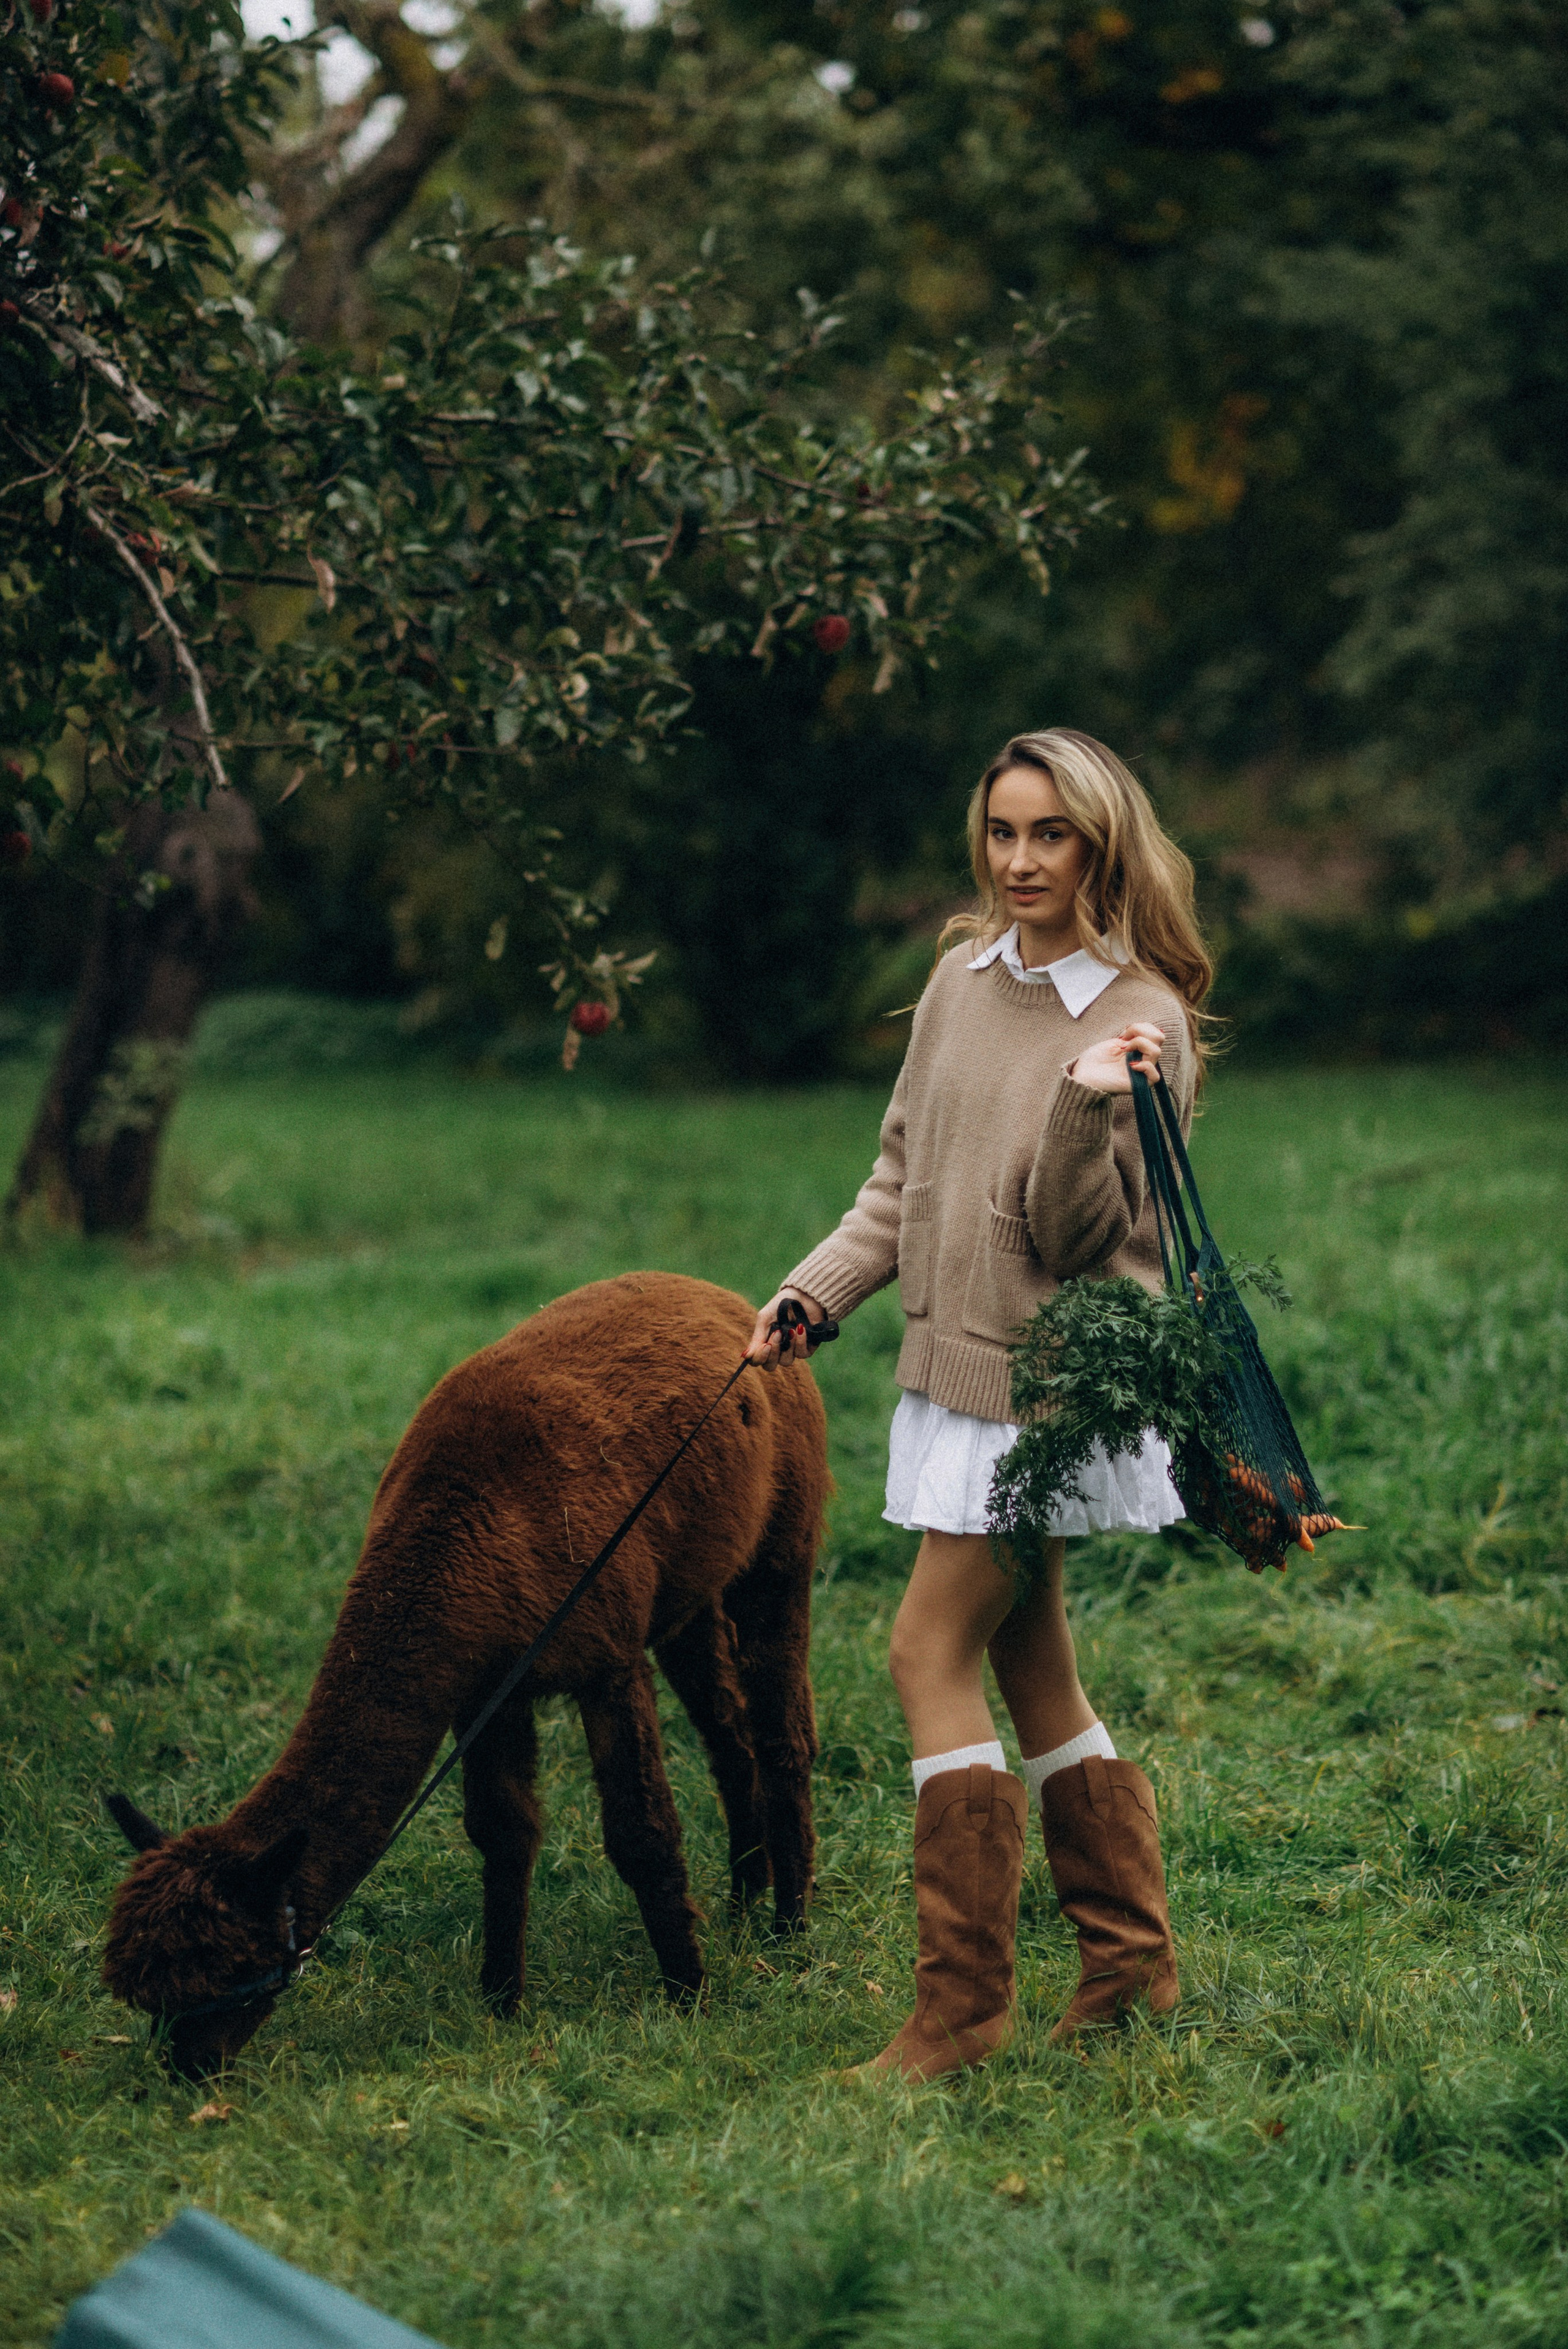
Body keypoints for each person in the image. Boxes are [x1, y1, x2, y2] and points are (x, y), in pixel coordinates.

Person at [748, 728, 1214, 2081]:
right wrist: (817, 1291)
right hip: (954, 1373)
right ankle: (1129, 1967)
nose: (1019, 860)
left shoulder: (1142, 1019)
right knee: (1029, 1657)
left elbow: (1076, 1238)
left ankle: (960, 2013)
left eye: (1049, 834)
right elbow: (902, 1175)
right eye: (1002, 832)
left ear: (1101, 845)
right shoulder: (960, 983)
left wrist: (1082, 1103)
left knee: (922, 1650)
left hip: (1049, 1393)